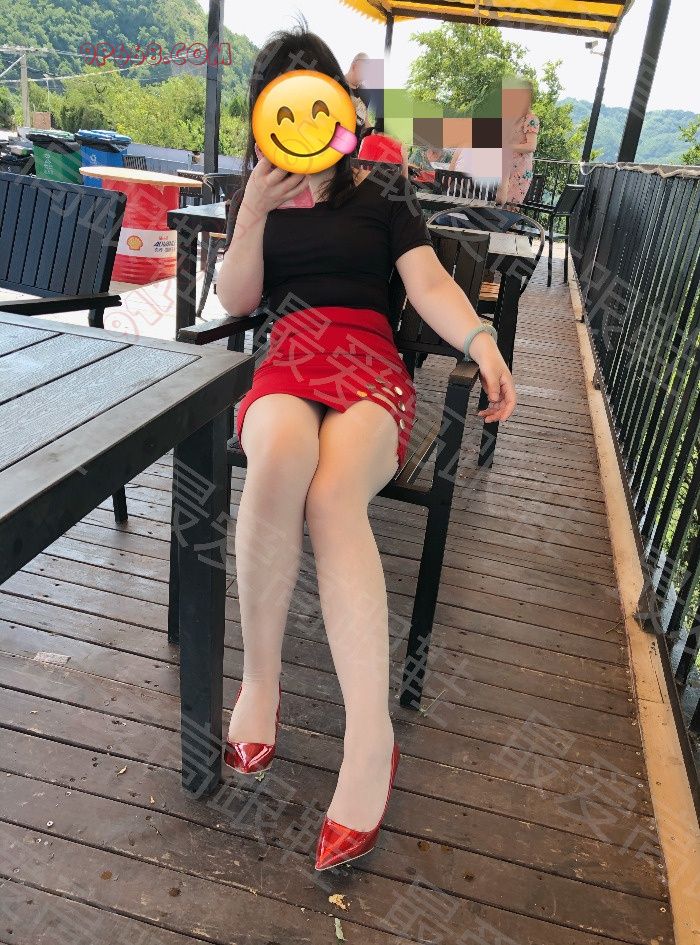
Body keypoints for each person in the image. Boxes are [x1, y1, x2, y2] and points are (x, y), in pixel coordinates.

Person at [216, 25, 516, 872]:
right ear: (264, 114)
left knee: (332, 494)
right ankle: (261, 683)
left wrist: (482, 339)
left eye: (316, 95)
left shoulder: (381, 187)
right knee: (278, 461)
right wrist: (252, 213)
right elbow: (236, 300)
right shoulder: (258, 190)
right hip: (287, 355)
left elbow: (426, 281)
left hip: (367, 362)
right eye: (281, 99)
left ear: (339, 109)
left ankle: (370, 738)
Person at [500, 81, 540, 207]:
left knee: (509, 208)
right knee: (496, 206)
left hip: (519, 172)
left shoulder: (531, 119)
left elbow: (531, 146)